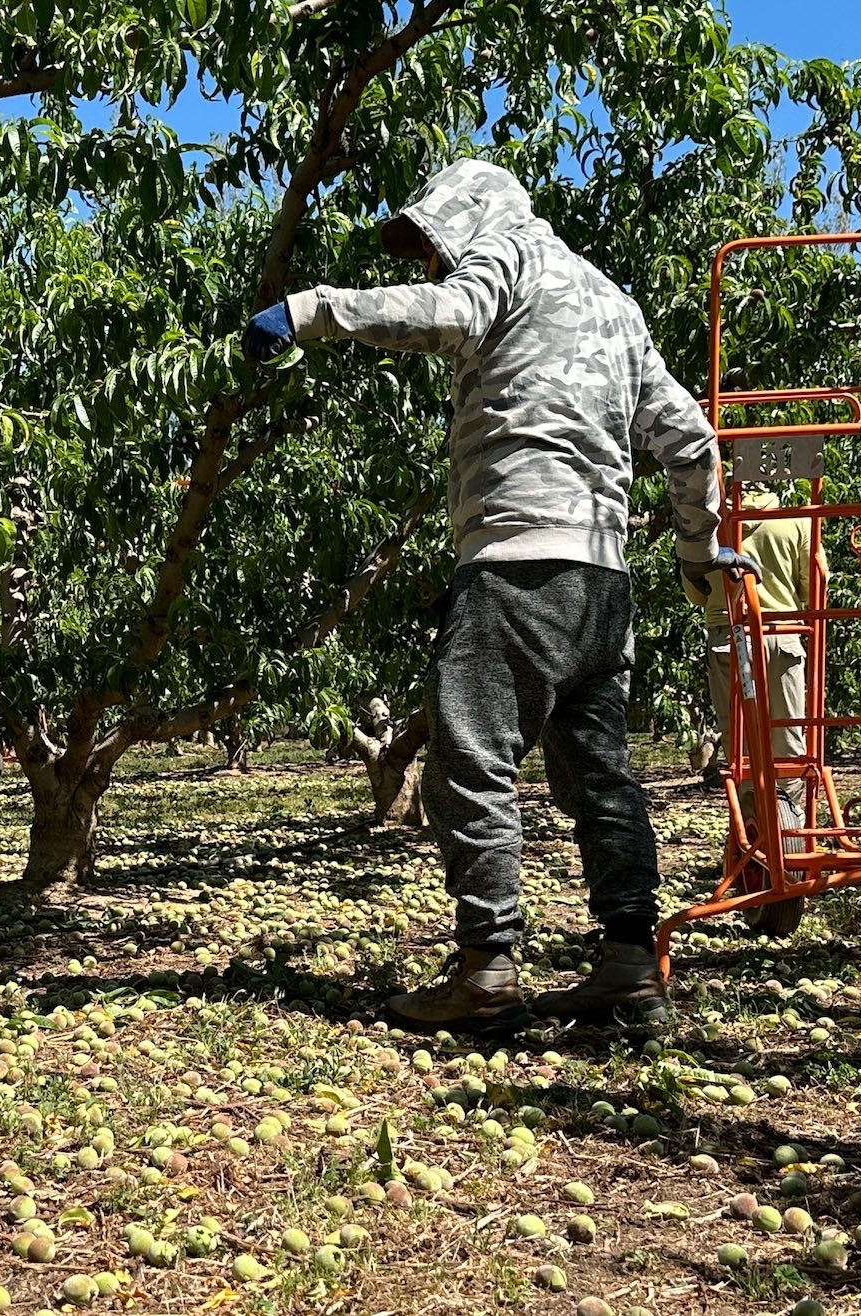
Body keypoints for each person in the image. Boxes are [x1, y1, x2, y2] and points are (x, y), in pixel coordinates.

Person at [243, 159, 755, 1032]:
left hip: (518, 557)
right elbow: (691, 437)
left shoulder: (509, 256)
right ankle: (631, 960)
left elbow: (451, 314)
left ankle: (485, 969)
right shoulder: (614, 303)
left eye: (441, 244)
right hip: (603, 582)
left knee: (468, 759)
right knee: (599, 774)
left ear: (472, 219)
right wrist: (698, 546)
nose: (438, 264)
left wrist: (309, 310)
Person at [684, 484, 822, 831]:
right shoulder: (795, 521)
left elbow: (694, 589)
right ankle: (795, 828)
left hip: (727, 634)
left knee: (739, 740)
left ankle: (751, 822)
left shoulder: (707, 524)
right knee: (788, 736)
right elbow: (813, 585)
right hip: (782, 632)